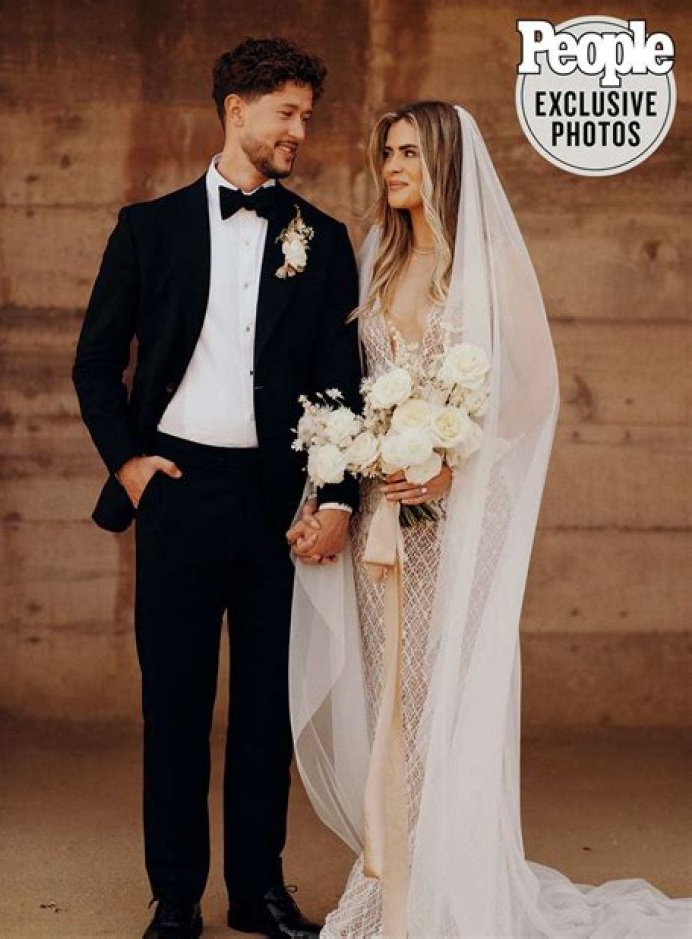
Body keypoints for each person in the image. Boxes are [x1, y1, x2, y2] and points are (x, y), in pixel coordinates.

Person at [287, 102, 691, 936]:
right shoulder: (376, 256)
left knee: (444, 694)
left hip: (455, 519)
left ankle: (440, 888)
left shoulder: (490, 262)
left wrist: (447, 462)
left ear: (442, 159)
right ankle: (392, 880)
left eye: (408, 152)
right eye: (386, 153)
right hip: (382, 515)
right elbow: (351, 387)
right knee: (390, 695)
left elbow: (533, 394)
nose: (391, 167)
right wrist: (341, 469)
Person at [72, 37, 361, 939]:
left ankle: (257, 891)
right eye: (286, 113)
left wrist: (337, 498)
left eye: (307, 115)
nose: (300, 130)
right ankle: (175, 897)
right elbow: (94, 364)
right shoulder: (147, 228)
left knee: (267, 708)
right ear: (237, 111)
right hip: (178, 492)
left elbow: (341, 384)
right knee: (175, 706)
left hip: (279, 502)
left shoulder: (325, 239)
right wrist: (128, 462)